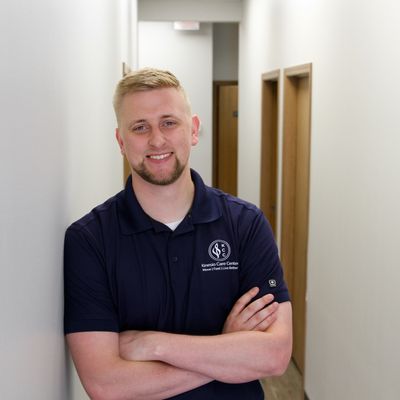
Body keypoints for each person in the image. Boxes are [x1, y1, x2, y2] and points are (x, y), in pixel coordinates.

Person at [64, 67, 292, 400]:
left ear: (193, 130)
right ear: (121, 141)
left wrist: (152, 344)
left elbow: (274, 356)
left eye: (169, 123)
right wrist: (225, 347)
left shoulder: (245, 224)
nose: (157, 140)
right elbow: (105, 385)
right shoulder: (89, 240)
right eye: (140, 127)